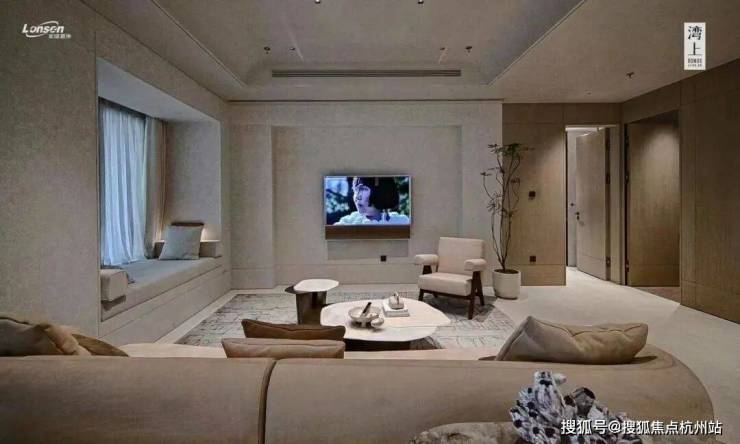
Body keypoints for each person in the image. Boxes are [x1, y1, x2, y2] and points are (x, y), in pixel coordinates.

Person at [334, 177, 410, 225]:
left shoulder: (403, 222)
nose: (357, 197)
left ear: (382, 191)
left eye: (363, 189)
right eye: (355, 190)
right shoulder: (348, 223)